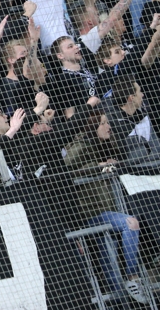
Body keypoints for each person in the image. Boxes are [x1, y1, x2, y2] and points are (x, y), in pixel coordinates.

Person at [65, 112, 149, 304]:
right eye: (103, 123)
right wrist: (98, 165)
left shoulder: (103, 146)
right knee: (131, 223)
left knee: (109, 258)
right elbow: (67, 168)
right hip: (90, 212)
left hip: (107, 209)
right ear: (92, 127)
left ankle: (122, 302)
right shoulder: (81, 145)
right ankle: (133, 278)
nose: (108, 126)